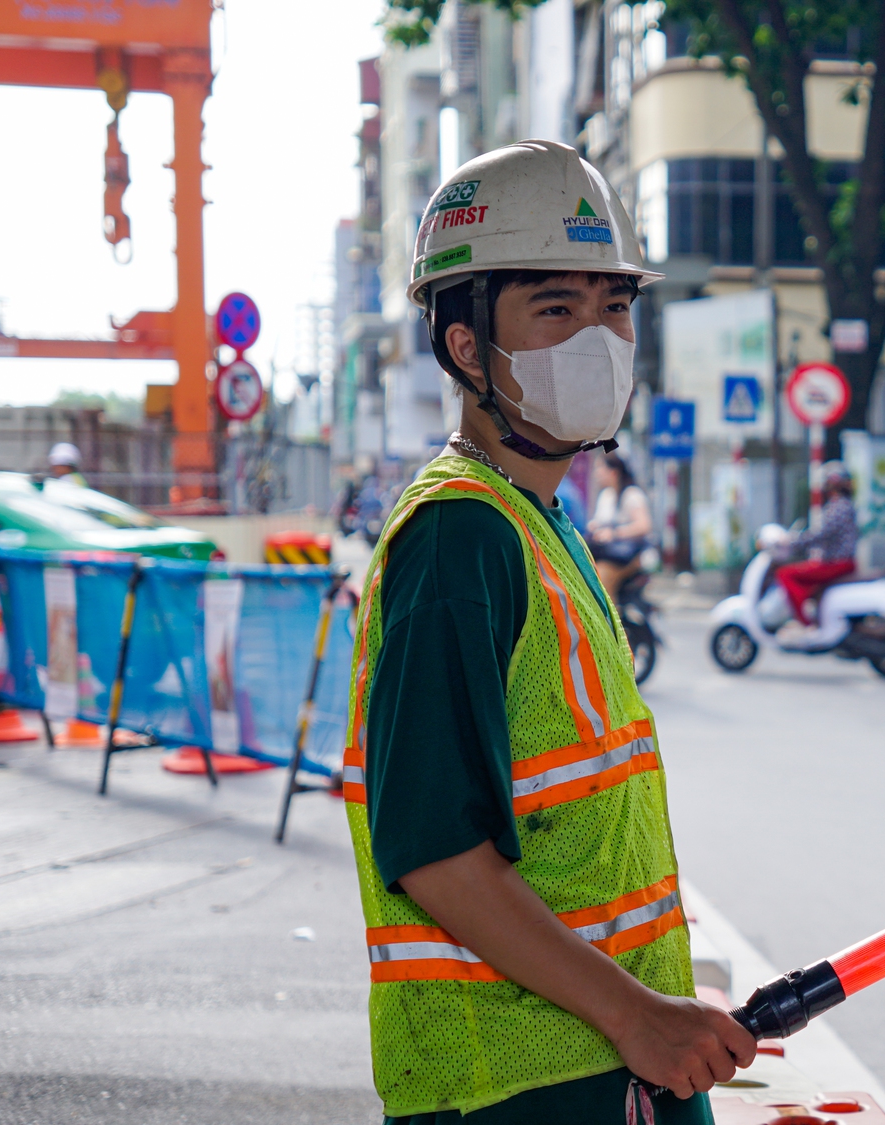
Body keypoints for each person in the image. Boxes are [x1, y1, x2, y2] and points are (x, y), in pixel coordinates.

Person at [344, 140, 753, 1125]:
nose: (600, 337)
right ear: (466, 346)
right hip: (516, 1085)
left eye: (614, 306)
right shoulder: (458, 538)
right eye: (555, 309)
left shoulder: (539, 520)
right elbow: (435, 850)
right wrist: (638, 1018)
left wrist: (653, 1013)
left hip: (606, 1061)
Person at [774, 463, 858, 627]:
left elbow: (820, 534)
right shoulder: (843, 506)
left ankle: (805, 622)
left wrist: (793, 542)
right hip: (837, 562)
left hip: (837, 564)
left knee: (785, 574)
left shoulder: (839, 507)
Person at [587, 452, 653, 600]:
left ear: (614, 472)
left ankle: (610, 619)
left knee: (602, 576)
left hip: (629, 557)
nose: (596, 473)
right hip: (606, 553)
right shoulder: (606, 495)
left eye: (600, 468)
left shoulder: (632, 495)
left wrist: (615, 533)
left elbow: (644, 526)